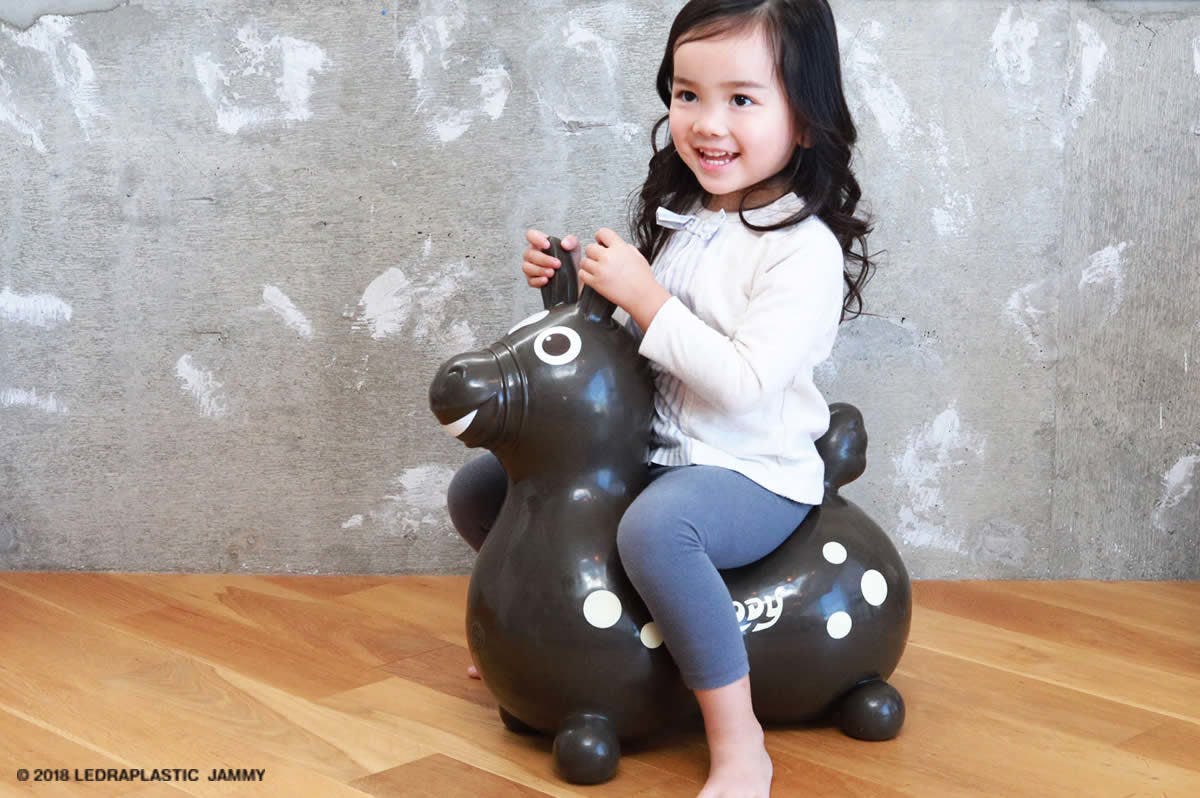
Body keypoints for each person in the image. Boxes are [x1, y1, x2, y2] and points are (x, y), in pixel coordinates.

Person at [448, 1, 874, 795]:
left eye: (741, 99)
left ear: (806, 119)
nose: (707, 123)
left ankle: (738, 739)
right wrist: (573, 293)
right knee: (483, 489)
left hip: (750, 469)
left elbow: (744, 384)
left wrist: (646, 297)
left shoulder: (800, 252)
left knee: (657, 531)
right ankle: (542, 637)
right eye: (687, 95)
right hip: (661, 453)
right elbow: (638, 355)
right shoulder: (692, 218)